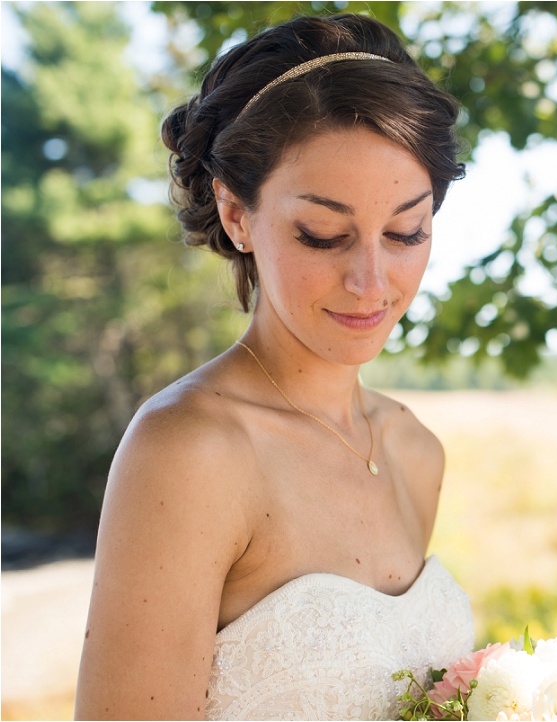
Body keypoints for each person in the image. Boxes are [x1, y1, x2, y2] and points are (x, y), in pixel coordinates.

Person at [74, 13, 474, 720]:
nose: (372, 281)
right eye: (324, 235)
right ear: (235, 214)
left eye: (406, 231)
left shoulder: (416, 452)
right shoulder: (190, 451)